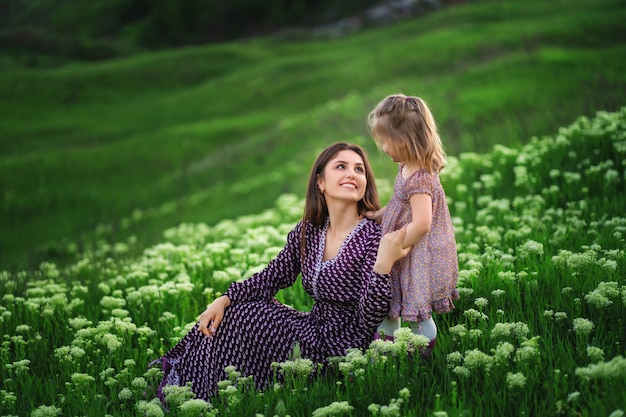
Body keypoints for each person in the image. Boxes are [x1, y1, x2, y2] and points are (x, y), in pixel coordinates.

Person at [149, 142, 410, 402]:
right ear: (321, 182)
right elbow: (272, 277)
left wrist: (382, 266)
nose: (352, 174)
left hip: (345, 346)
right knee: (237, 311)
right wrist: (225, 298)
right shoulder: (310, 231)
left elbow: (369, 317)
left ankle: (201, 393)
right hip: (312, 330)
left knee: (244, 317)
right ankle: (193, 387)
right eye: (341, 166)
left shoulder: (373, 236)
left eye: (359, 169)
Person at [366, 94, 459, 357]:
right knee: (391, 303)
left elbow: (422, 222)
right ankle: (389, 351)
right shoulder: (407, 166)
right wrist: (383, 214)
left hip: (416, 254)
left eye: (385, 141)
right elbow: (401, 205)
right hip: (405, 250)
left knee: (418, 309)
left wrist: (397, 245)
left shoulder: (420, 178)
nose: (383, 148)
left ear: (404, 141)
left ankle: (422, 355)